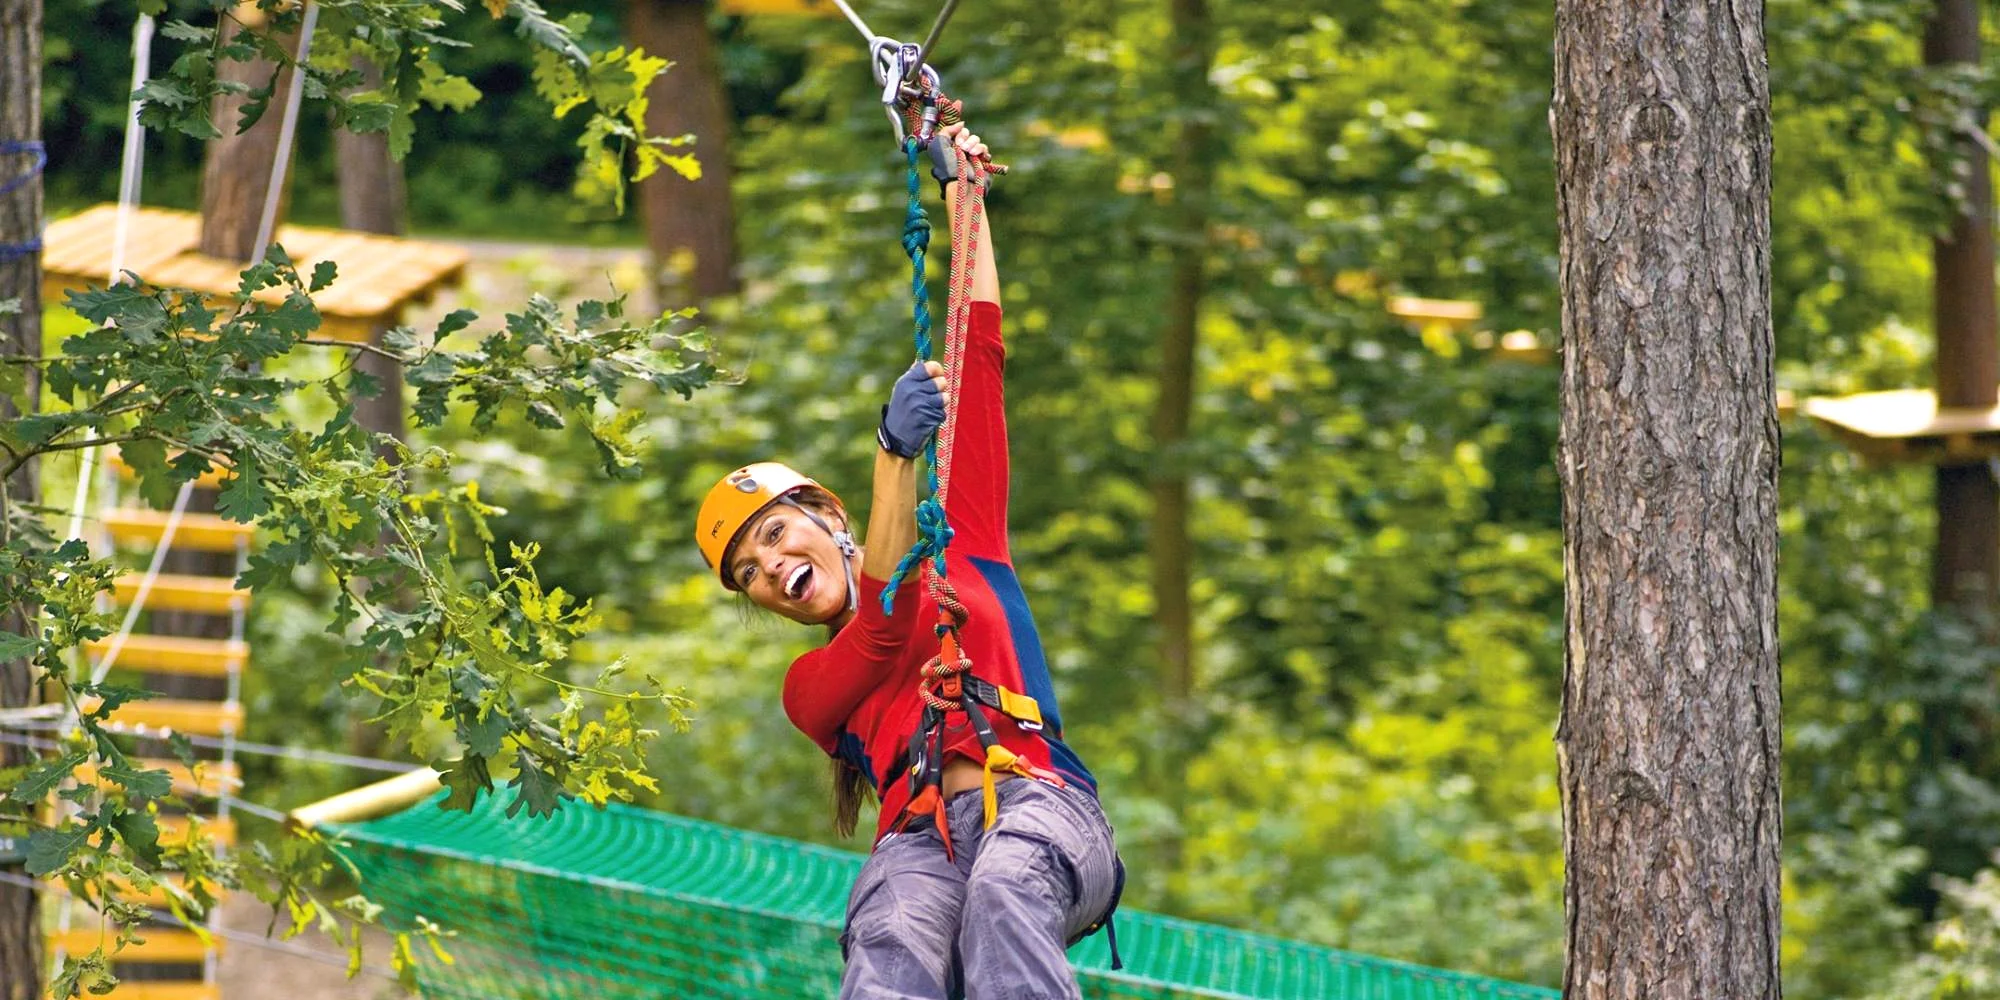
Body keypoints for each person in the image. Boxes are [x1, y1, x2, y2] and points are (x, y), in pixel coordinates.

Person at [693, 122, 1121, 1000]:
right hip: (920, 842)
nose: (770, 569)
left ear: (826, 516)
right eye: (749, 573)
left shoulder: (960, 538)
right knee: (889, 936)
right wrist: (893, 453)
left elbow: (980, 354)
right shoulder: (813, 689)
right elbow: (884, 632)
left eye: (775, 535)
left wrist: (966, 196)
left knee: (1006, 890)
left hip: (1038, 800)